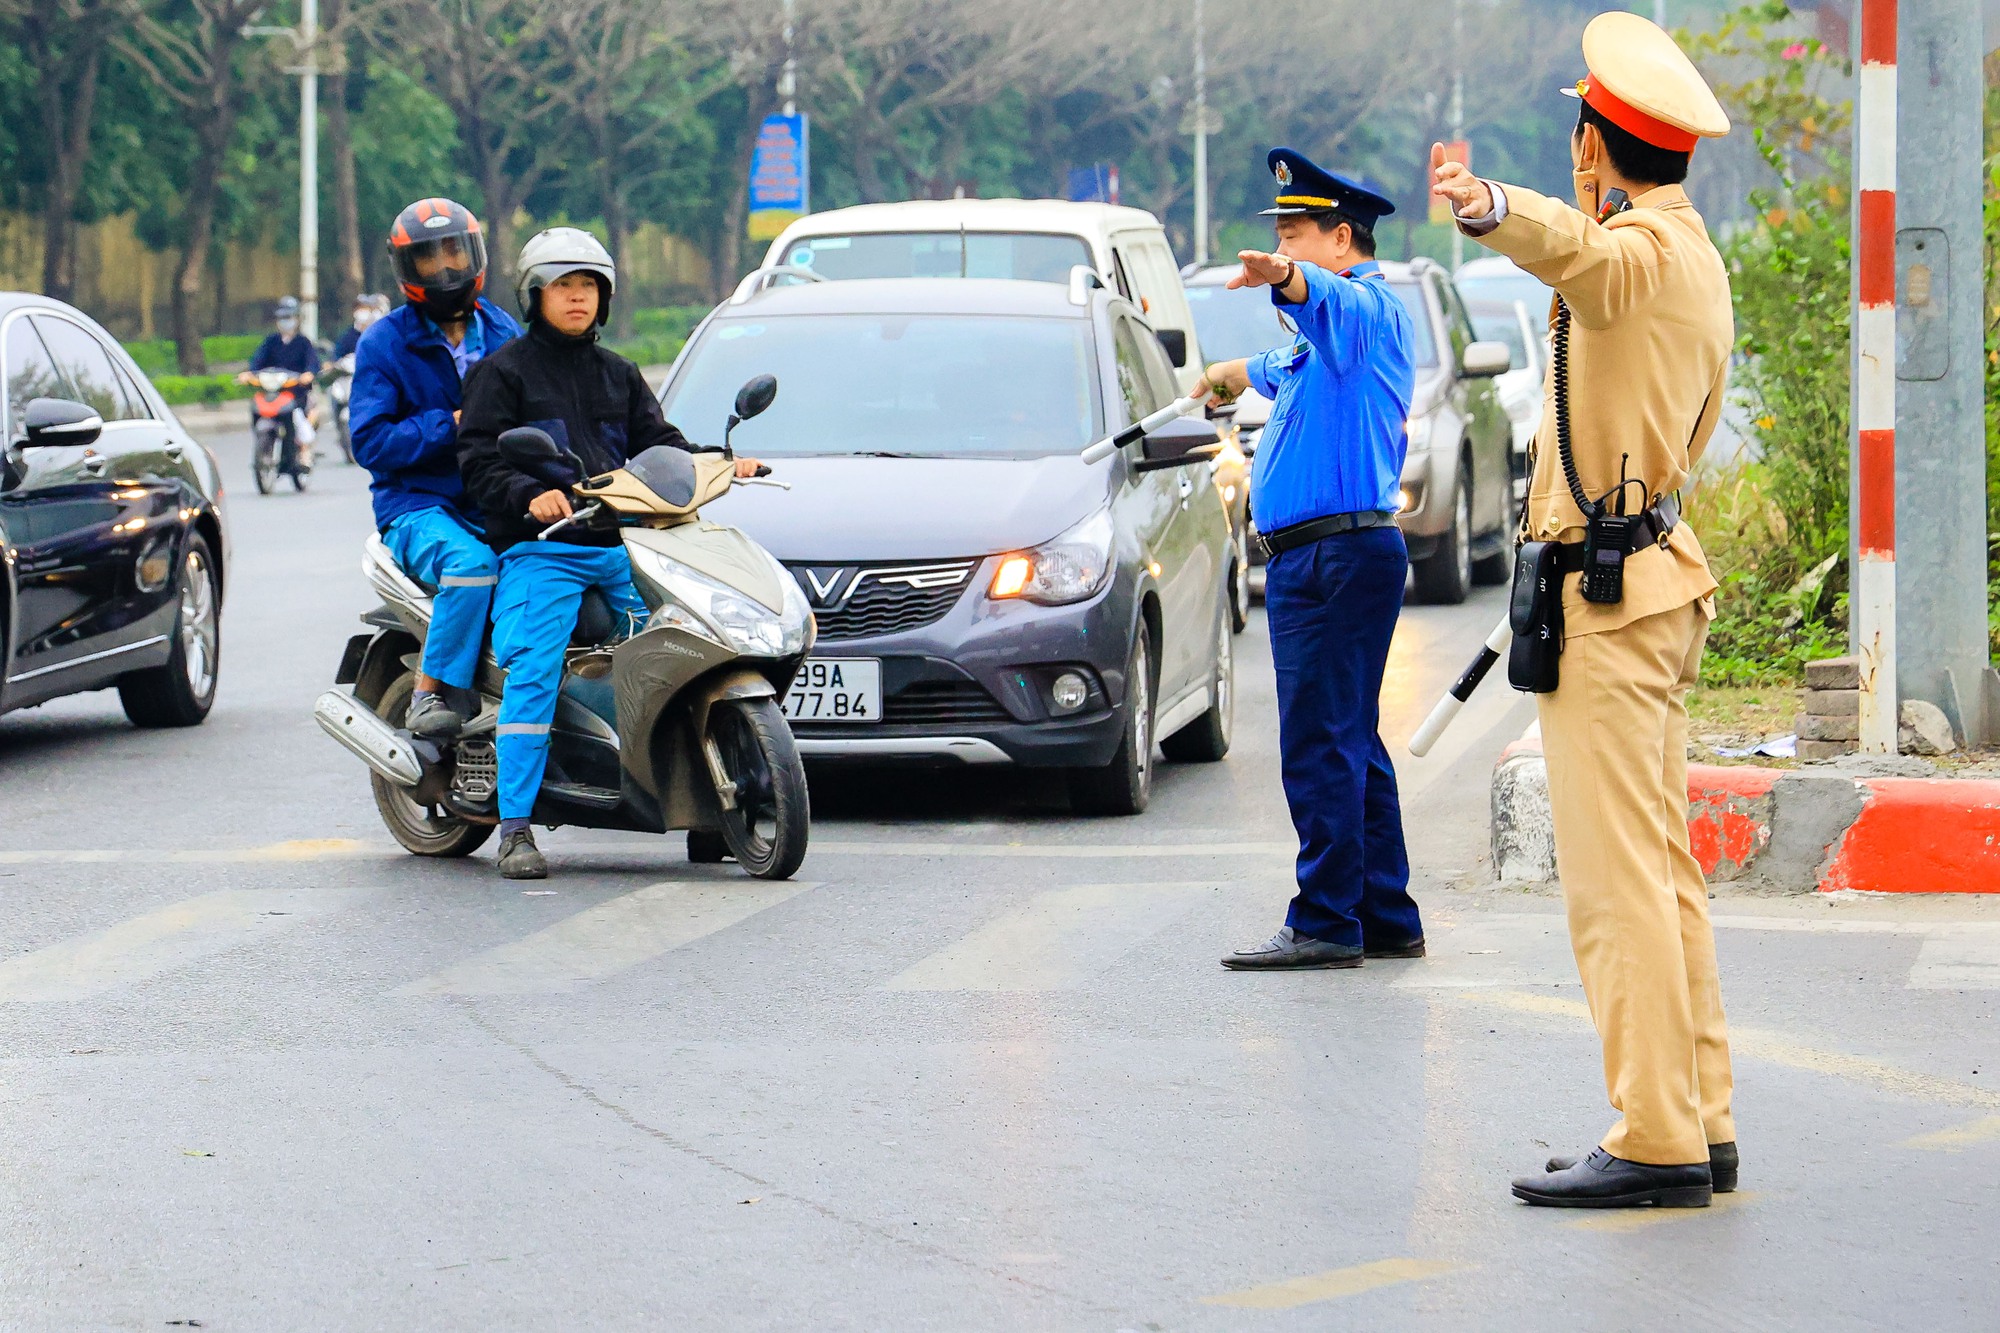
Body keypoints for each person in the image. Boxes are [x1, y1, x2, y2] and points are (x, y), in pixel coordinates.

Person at [1434, 10, 1737, 1209]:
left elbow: (1585, 264)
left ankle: (1655, 1131)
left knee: (1616, 889)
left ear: (1590, 147)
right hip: (1644, 576)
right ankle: (1695, 1116)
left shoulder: (1640, 257)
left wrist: (1487, 205)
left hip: (1611, 602)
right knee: (1660, 876)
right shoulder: (1690, 247)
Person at [457, 227, 766, 881]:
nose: (578, 298)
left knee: (685, 648)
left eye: (589, 287)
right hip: (544, 553)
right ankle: (514, 827)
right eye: (564, 286)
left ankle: (708, 804)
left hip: (623, 546)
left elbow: (661, 444)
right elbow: (481, 463)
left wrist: (722, 463)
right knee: (536, 670)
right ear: (535, 294)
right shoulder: (502, 373)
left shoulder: (618, 374)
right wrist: (529, 494)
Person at [1199, 150, 1425, 972]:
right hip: (1334, 554)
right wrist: (1225, 375)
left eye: (1295, 233)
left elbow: (1323, 300)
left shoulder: (1365, 309)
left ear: (1341, 239)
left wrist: (1290, 278)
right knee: (1349, 736)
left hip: (1334, 556)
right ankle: (1384, 911)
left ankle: (1326, 917)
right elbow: (1275, 367)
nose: (1281, 245)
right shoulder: (1317, 346)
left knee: (1317, 742)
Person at [350, 198, 523, 739]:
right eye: (430, 258)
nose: (446, 269)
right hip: (417, 506)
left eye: (455, 252)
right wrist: (449, 424)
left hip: (492, 498)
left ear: (476, 255)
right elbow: (370, 441)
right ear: (408, 269)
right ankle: (428, 696)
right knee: (472, 567)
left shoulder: (504, 334)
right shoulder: (384, 342)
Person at [242, 294, 320, 412]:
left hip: (297, 394)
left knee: (305, 426)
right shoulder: (271, 341)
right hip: (272, 392)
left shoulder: (303, 342)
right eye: (282, 317)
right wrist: (250, 373)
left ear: (297, 319)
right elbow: (258, 360)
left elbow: (312, 362)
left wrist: (309, 373)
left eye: (289, 317)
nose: (285, 321)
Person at [332, 293, 389, 360]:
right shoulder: (349, 336)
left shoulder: (380, 334)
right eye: (360, 308)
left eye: (365, 308)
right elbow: (337, 354)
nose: (362, 311)